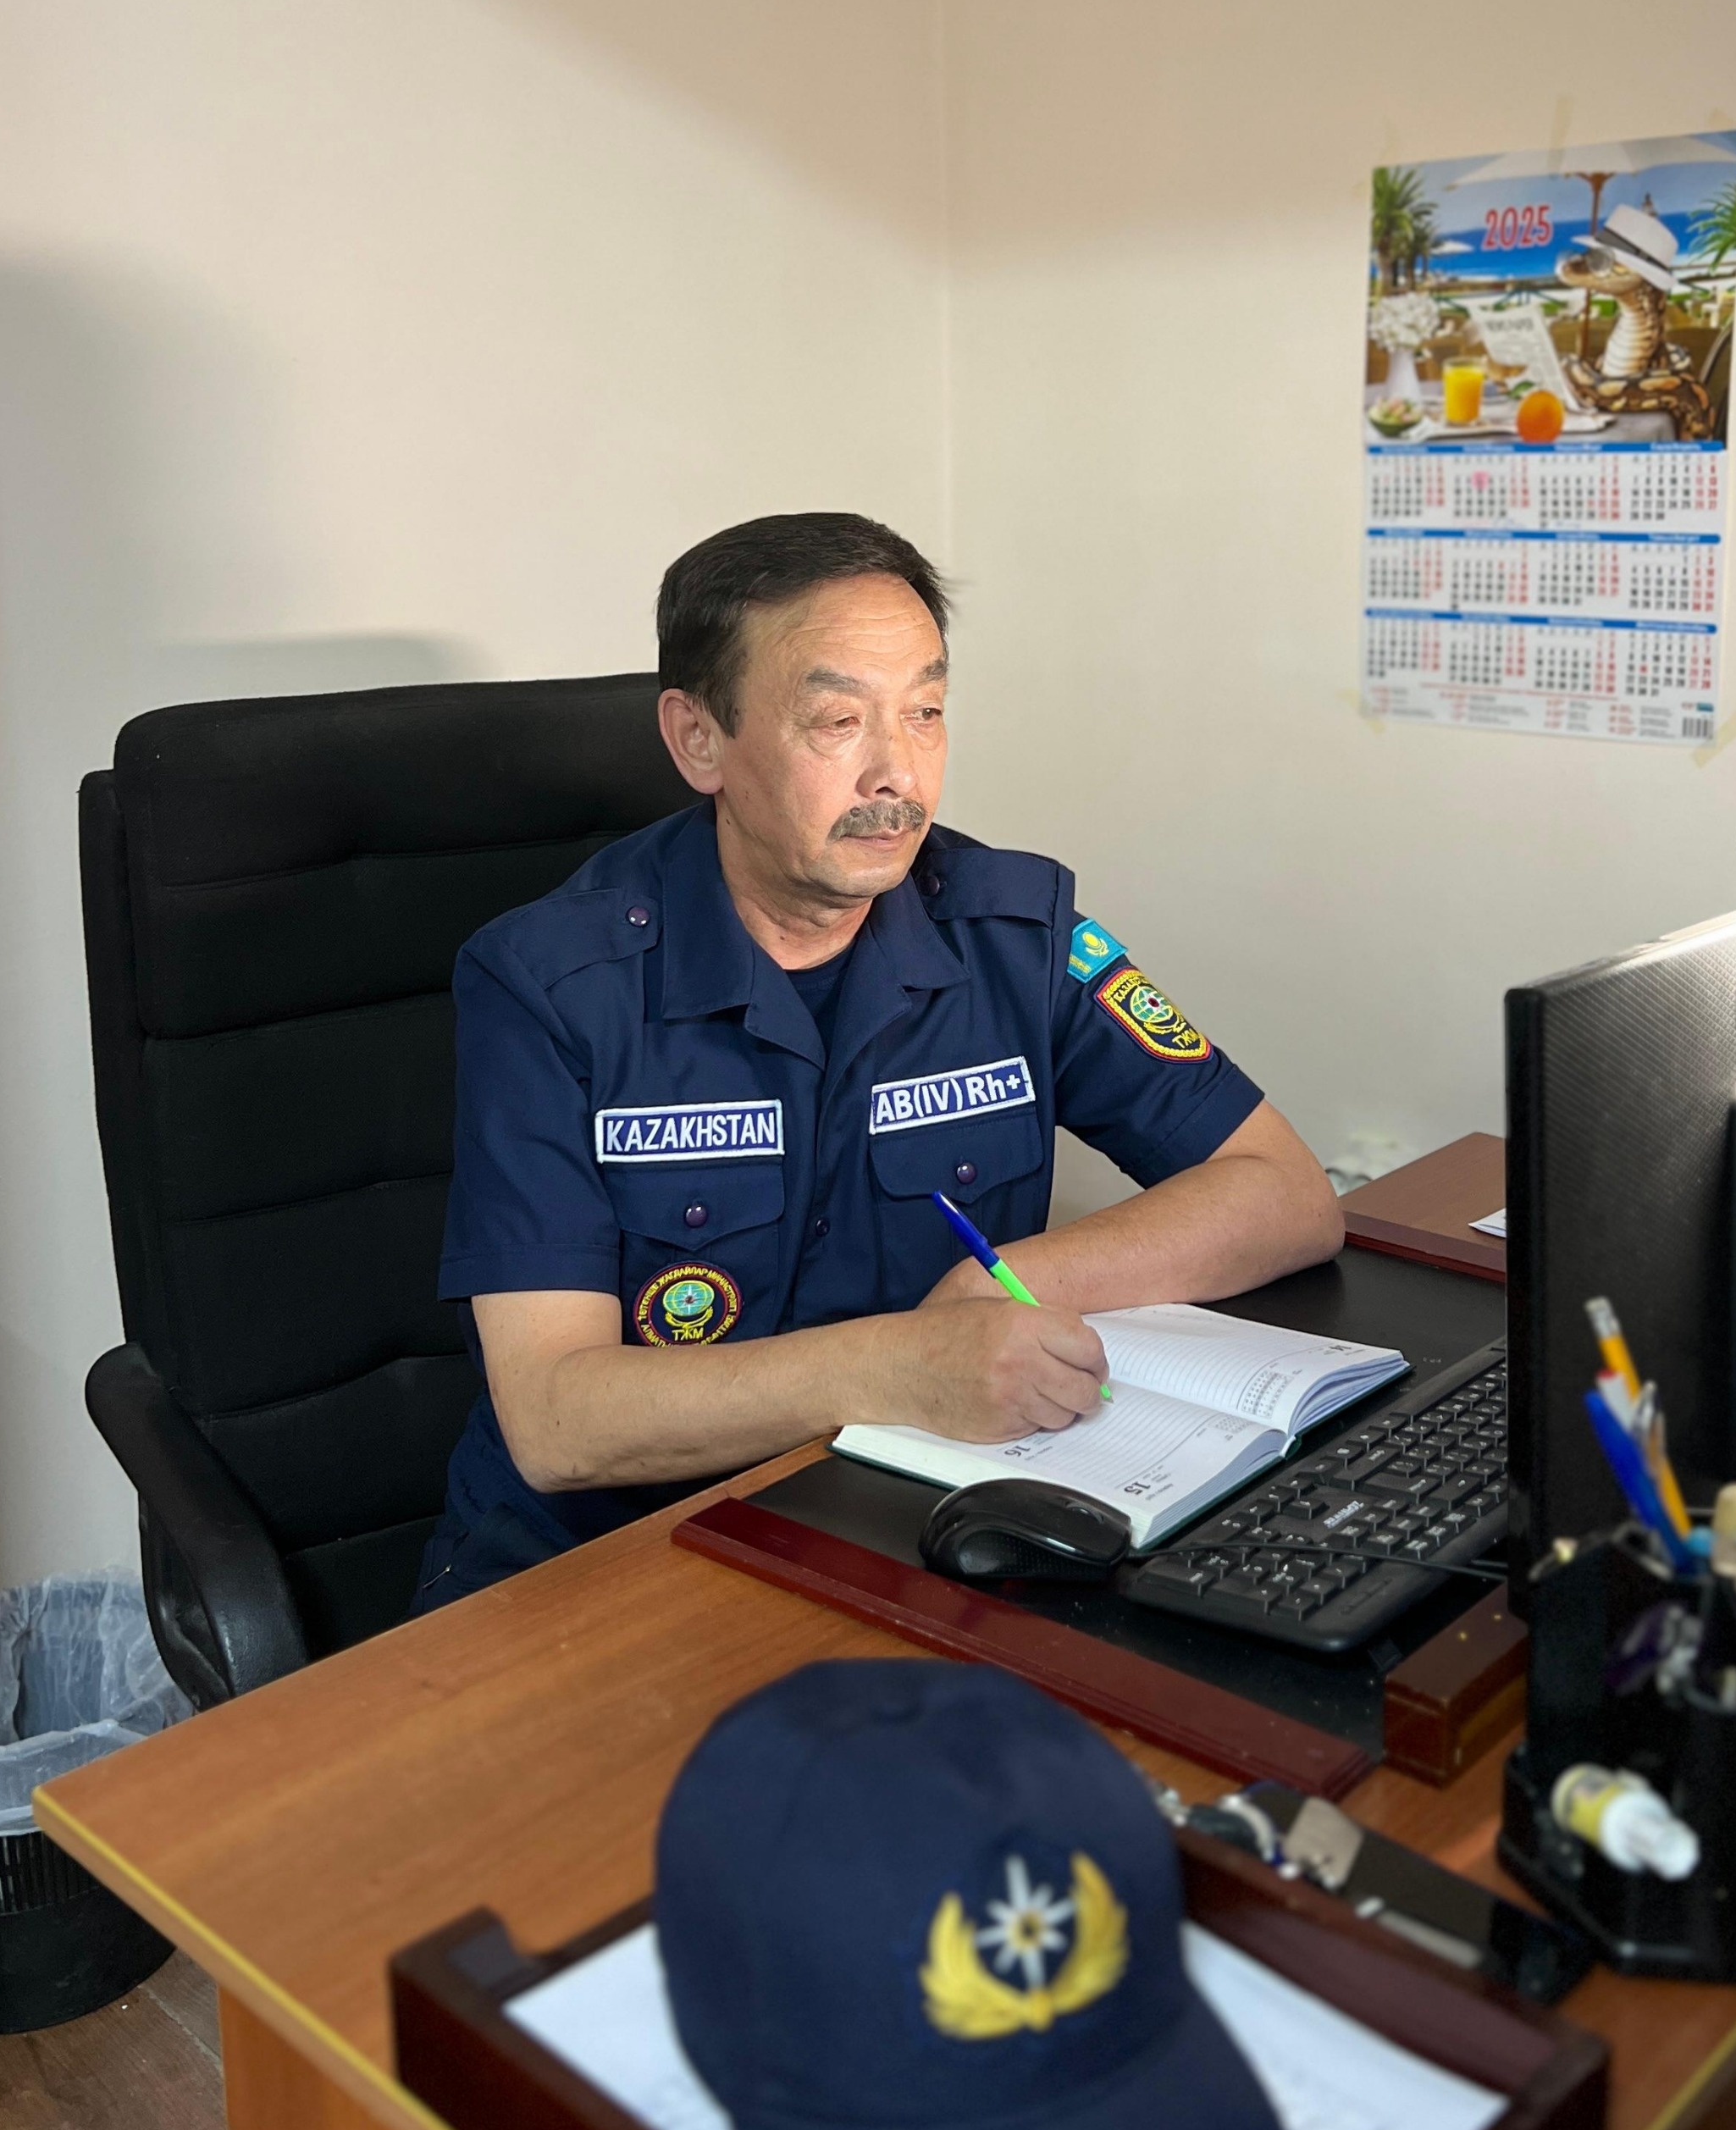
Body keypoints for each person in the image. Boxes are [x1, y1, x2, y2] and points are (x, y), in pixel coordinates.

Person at [412, 511, 1344, 1607]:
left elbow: (1286, 1194)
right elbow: (557, 1422)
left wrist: (992, 1289)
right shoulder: (548, 984)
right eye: (838, 721)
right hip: (602, 1567)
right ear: (699, 740)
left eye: (926, 712)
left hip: (903, 1524)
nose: (897, 772)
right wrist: (903, 1364)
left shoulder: (1012, 931)